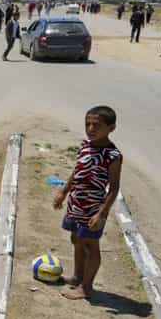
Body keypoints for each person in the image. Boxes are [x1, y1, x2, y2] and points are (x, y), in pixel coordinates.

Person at [53, 106, 123, 300]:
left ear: (111, 128)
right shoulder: (86, 146)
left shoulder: (112, 155)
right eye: (88, 124)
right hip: (76, 204)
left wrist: (101, 213)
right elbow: (76, 172)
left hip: (93, 209)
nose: (91, 128)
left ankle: (87, 288)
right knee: (76, 239)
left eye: (97, 125)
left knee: (91, 245)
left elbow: (114, 188)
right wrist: (63, 192)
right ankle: (77, 277)